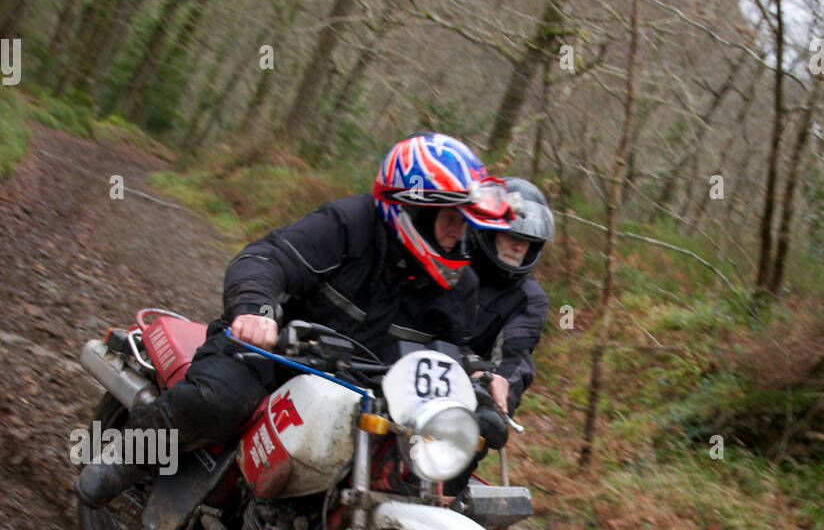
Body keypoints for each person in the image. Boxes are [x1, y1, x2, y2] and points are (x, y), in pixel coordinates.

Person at [77, 133, 513, 507]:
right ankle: (124, 458)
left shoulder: (461, 282)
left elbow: (452, 347)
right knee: (218, 400)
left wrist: (479, 374)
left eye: (467, 223)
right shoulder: (349, 224)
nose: (461, 234)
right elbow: (266, 259)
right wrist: (256, 311)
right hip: (275, 360)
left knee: (446, 451)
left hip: (369, 393)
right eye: (452, 219)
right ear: (413, 210)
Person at [468, 176, 554, 419]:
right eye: (513, 236)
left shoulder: (529, 298)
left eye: (528, 241)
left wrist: (497, 401)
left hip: (461, 393)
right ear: (488, 231)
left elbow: (514, 358)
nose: (519, 247)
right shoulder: (450, 261)